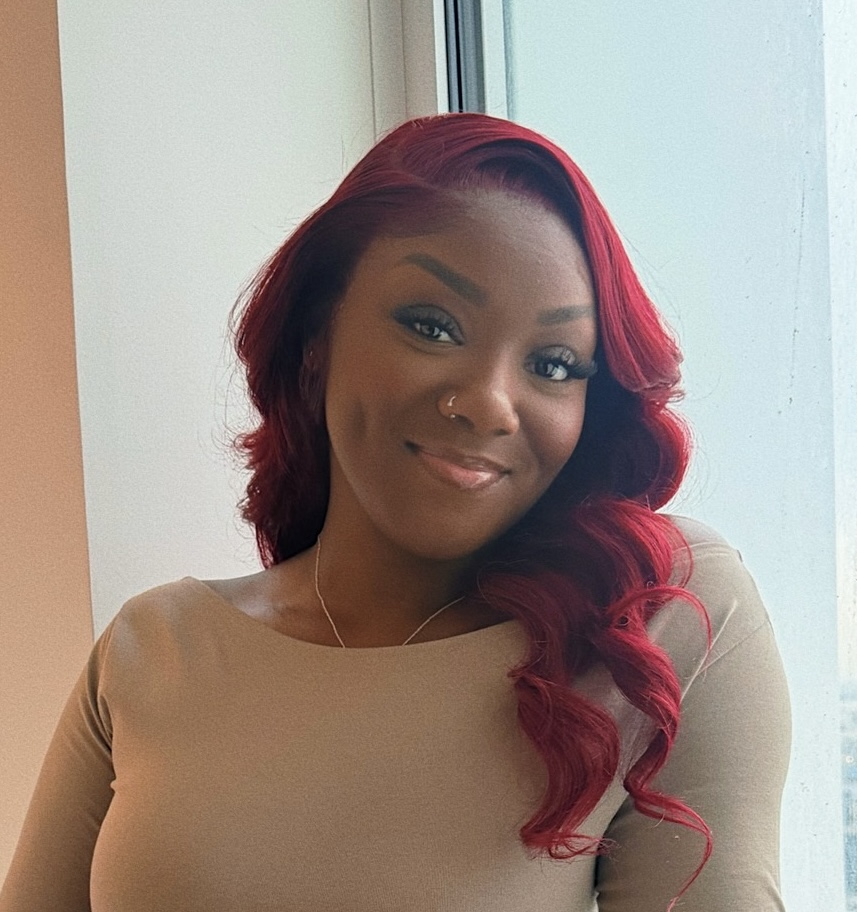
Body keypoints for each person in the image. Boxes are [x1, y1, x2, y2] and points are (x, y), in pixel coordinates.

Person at [0, 113, 790, 912]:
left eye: (553, 365)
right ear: (317, 339)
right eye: (432, 326)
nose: (488, 403)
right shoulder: (151, 650)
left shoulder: (654, 620)